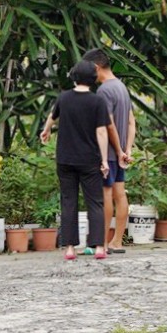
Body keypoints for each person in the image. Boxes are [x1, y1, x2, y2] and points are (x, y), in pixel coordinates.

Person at [40, 60, 110, 261]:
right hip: (89, 159)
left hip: (65, 159)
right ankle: (98, 247)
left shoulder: (64, 98)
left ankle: (70, 248)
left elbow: (52, 117)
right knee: (95, 203)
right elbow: (101, 132)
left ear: (74, 77)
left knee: (68, 201)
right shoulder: (97, 102)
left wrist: (45, 131)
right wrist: (104, 160)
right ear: (93, 79)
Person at [84, 47, 135, 254]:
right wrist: (127, 149)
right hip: (121, 154)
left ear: (96, 67)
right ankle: (117, 241)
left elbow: (109, 124)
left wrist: (117, 150)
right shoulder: (122, 87)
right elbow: (132, 122)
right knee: (120, 195)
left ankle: (102, 243)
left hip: (109, 154)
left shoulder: (104, 90)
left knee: (105, 195)